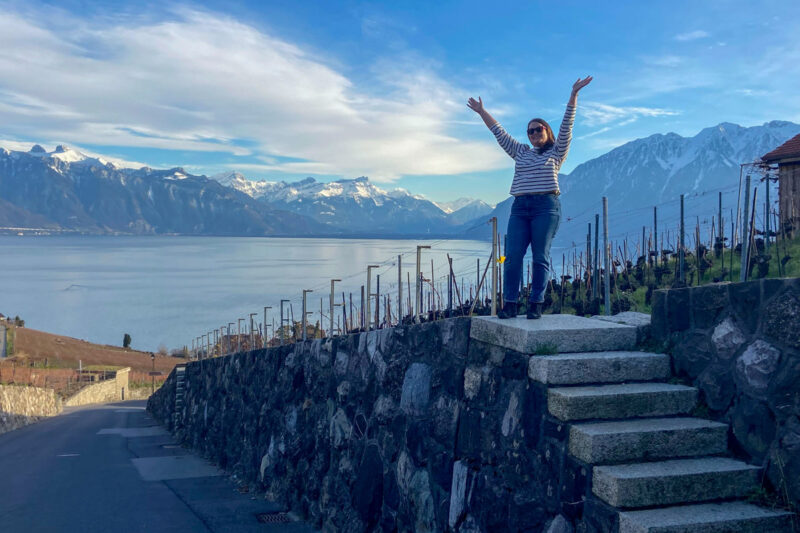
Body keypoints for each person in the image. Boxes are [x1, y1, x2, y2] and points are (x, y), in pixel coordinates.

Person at [467, 76, 592, 319]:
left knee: (540, 256)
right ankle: (510, 304)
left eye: (538, 129)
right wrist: (482, 112)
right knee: (511, 256)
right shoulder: (520, 151)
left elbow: (567, 125)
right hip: (519, 208)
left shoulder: (557, 151)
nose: (533, 133)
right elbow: (498, 132)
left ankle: (536, 303)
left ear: (547, 130)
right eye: (530, 131)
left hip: (546, 207)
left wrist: (573, 95)